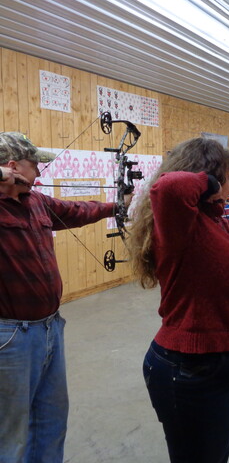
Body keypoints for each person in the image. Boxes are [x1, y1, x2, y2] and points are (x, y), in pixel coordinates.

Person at [128, 137, 229, 463]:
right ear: (209, 177)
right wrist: (210, 179)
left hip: (223, 369)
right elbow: (166, 188)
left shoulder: (210, 222)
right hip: (190, 370)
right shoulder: (180, 225)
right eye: (228, 176)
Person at [0, 131, 132, 463]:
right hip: (10, 336)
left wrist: (115, 206)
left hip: (49, 328)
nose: (40, 173)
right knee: (9, 433)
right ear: (13, 166)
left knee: (51, 420)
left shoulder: (38, 202)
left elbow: (76, 209)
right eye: (35, 166)